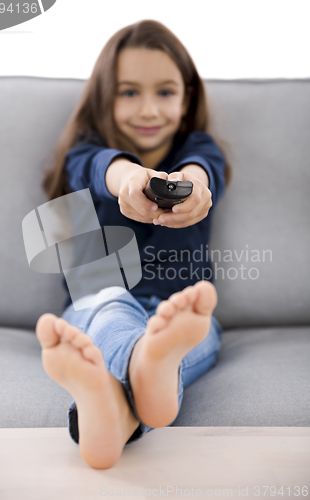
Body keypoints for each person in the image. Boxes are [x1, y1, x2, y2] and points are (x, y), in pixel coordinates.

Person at [36, 19, 231, 470]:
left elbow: (204, 170)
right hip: (93, 304)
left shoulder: (197, 148)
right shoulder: (84, 153)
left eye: (164, 92)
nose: (148, 110)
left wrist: (194, 187)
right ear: (104, 98)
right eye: (128, 92)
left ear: (186, 100)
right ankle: (144, 366)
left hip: (176, 309)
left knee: (191, 335)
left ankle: (114, 408)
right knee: (113, 307)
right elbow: (102, 169)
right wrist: (130, 180)